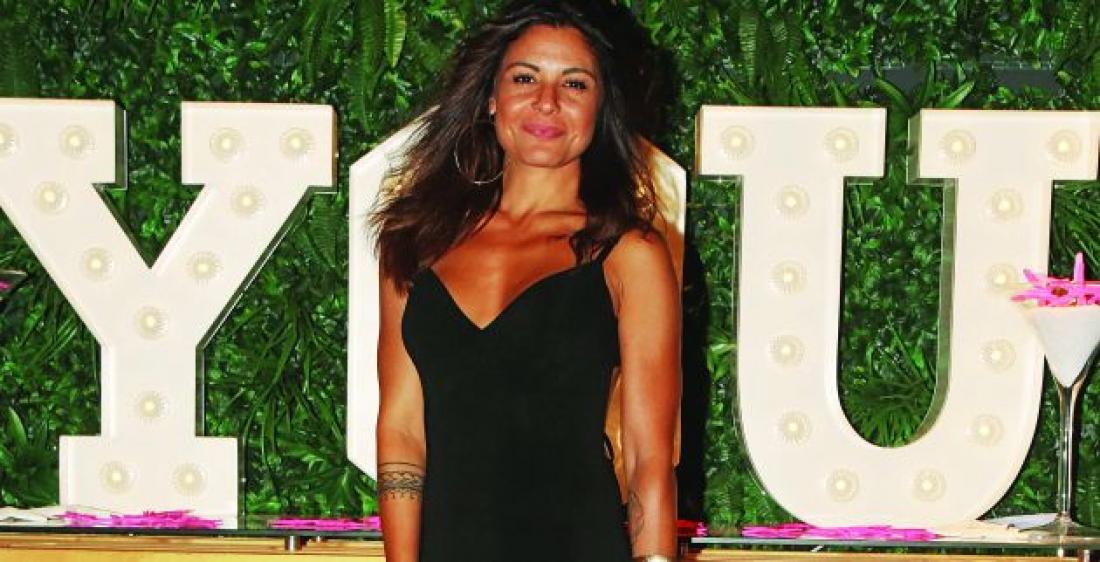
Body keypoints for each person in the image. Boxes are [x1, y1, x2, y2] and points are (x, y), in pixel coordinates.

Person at [371, 2, 680, 561]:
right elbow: (401, 433)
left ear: (601, 107)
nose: (547, 101)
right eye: (524, 78)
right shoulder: (415, 241)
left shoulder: (629, 254)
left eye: (575, 84)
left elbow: (647, 458)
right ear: (491, 97)